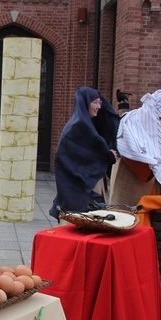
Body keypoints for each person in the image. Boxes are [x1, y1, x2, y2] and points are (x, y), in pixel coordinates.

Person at [49, 86, 120, 221]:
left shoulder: (86, 125)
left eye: (100, 103)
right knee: (77, 220)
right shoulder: (77, 127)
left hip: (90, 182)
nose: (99, 106)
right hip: (79, 186)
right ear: (85, 103)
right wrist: (106, 156)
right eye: (95, 102)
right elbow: (73, 156)